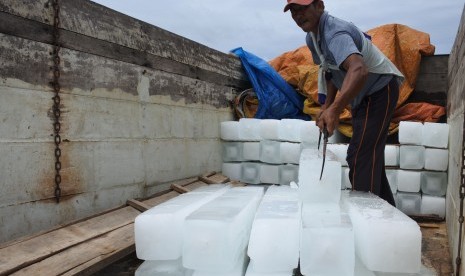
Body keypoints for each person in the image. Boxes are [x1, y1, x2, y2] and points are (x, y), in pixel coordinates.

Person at [284, 0, 404, 206]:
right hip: (362, 95)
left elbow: (359, 69)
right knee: (369, 156)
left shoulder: (334, 32)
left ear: (319, 6)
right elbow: (330, 71)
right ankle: (389, 222)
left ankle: (367, 219)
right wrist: (327, 107)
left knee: (359, 157)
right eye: (293, 11)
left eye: (302, 8)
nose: (298, 15)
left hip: (380, 89)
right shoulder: (312, 38)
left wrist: (336, 110)